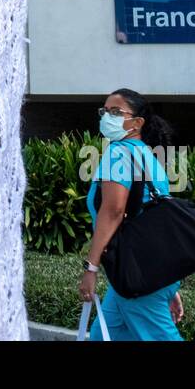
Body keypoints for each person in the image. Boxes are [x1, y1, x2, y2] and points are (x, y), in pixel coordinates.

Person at [78, 88, 184, 340]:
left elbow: (113, 211)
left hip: (140, 272)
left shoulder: (119, 153)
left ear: (137, 122)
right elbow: (155, 217)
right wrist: (167, 286)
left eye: (116, 112)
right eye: (105, 111)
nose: (107, 117)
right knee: (104, 336)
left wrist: (90, 268)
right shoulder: (148, 156)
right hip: (144, 272)